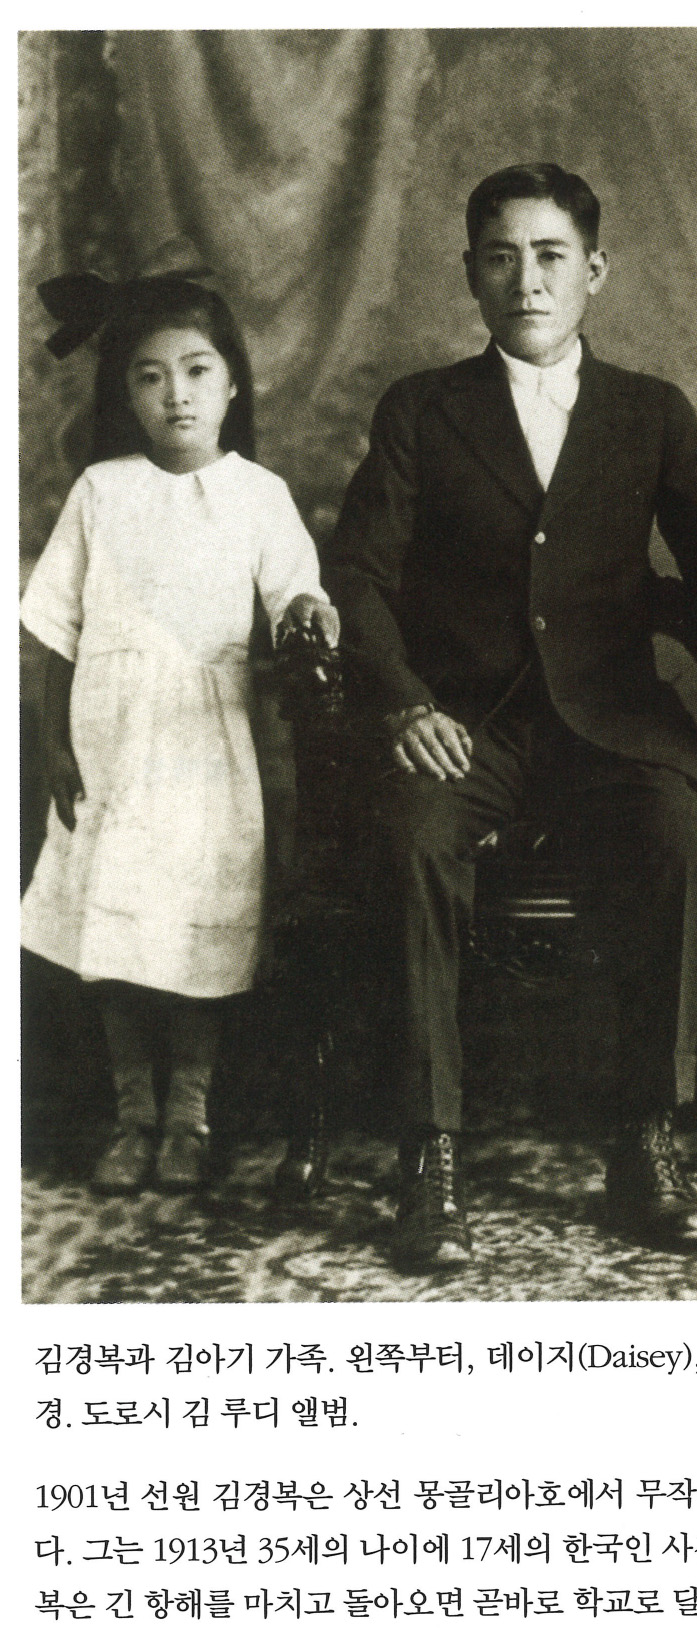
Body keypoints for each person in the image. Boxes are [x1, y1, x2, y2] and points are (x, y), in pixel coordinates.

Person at [324, 163, 697, 1270]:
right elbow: (359, 577)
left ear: (595, 270)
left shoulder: (649, 411)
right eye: (501, 257)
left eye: (549, 257)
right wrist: (404, 703)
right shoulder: (422, 410)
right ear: (471, 275)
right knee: (413, 837)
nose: (526, 281)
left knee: (681, 841)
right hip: (466, 722)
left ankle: (646, 1139)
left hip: (611, 725)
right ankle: (431, 1155)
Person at [22, 266, 338, 1196]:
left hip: (205, 753)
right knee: (117, 940)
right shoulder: (101, 492)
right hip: (111, 749)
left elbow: (296, 592)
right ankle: (134, 1115)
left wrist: (310, 613)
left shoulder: (258, 495)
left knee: (194, 938)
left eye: (197, 372)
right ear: (126, 394)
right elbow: (58, 633)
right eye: (150, 377)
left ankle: (191, 1117)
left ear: (232, 383)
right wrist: (54, 745)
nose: (177, 395)